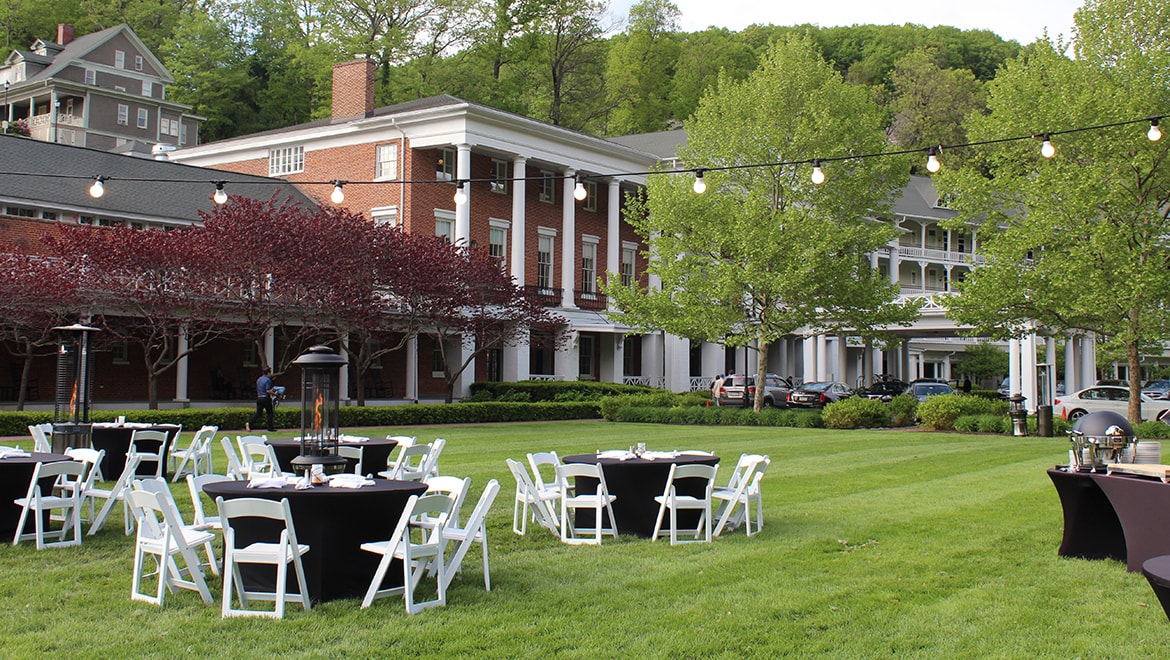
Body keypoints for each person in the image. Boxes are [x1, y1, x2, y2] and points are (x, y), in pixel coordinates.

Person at [246, 367, 277, 432]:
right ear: (268, 372)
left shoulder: (259, 379)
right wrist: (275, 394)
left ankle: (249, 423)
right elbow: (268, 390)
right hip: (265, 398)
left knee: (259, 413)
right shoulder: (268, 380)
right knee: (270, 413)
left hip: (259, 397)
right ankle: (270, 428)